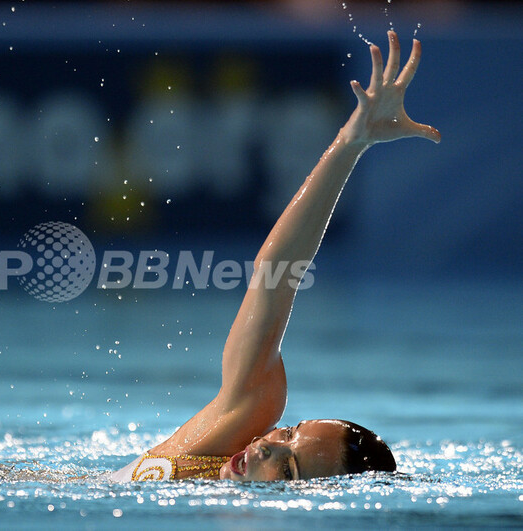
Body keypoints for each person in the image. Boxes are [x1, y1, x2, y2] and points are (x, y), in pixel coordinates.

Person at [110, 30, 440, 482]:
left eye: (288, 466)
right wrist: (349, 144)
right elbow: (276, 274)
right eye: (286, 433)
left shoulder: (237, 506)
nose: (264, 446)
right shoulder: (231, 427)